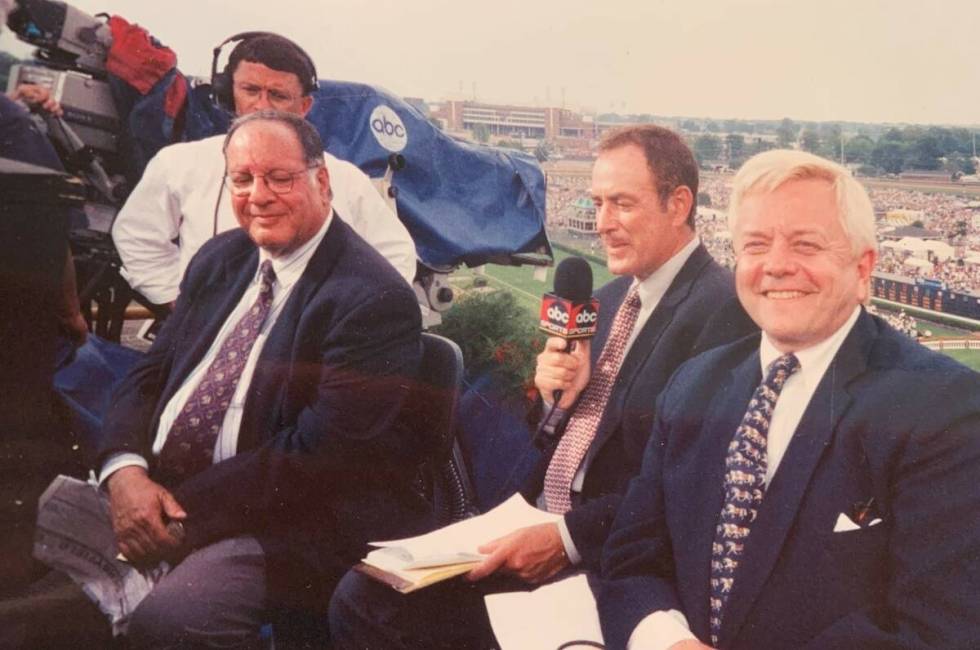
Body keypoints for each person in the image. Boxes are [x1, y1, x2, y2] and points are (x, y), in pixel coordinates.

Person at [328, 125, 756, 649]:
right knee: (365, 591)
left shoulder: (726, 311)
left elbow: (682, 485)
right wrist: (552, 400)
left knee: (375, 609)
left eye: (621, 204)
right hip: (533, 520)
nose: (602, 224)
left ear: (679, 203)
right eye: (597, 203)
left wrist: (564, 540)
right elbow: (568, 440)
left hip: (607, 561)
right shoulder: (614, 294)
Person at [594, 149, 980, 649]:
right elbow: (631, 557)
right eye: (755, 245)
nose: (776, 265)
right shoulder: (694, 384)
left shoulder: (941, 405)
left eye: (806, 245)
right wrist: (667, 642)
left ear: (863, 269)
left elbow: (936, 626)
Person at [88, 110, 428, 647]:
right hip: (163, 491)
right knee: (53, 598)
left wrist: (170, 514)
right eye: (242, 180)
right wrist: (124, 471)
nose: (258, 195)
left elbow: (314, 458)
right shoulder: (222, 258)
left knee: (173, 620)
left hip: (285, 521)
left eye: (279, 178)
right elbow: (152, 373)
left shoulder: (372, 299)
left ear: (322, 181)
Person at [109, 31, 416, 308]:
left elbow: (394, 253)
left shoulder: (345, 178)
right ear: (229, 93)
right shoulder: (178, 163)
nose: (262, 105)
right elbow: (137, 236)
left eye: (278, 95)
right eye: (250, 90)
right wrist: (179, 303)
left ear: (304, 106)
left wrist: (349, 313)